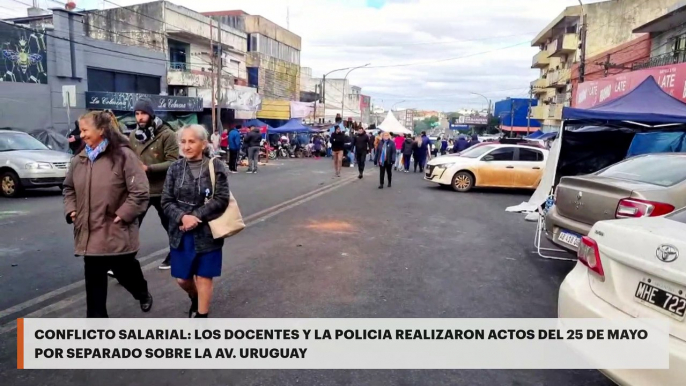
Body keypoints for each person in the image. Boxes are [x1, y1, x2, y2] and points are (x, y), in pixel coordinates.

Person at [63, 111, 152, 318]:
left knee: (125, 272)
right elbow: (68, 188)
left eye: (85, 130)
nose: (81, 135)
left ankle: (141, 291)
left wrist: (124, 214)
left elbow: (140, 191)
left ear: (101, 130)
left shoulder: (124, 155)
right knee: (94, 289)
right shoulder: (80, 159)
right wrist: (71, 209)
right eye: (80, 130)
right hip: (90, 232)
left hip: (116, 229)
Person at [161, 124, 230, 318]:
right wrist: (183, 217)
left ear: (203, 143)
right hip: (181, 233)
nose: (186, 146)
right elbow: (166, 200)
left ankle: (202, 316)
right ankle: (195, 297)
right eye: (183, 141)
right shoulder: (174, 168)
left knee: (204, 276)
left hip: (208, 233)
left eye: (192, 141)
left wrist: (196, 216)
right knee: (182, 279)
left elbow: (221, 198)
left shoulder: (216, 166)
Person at [129, 98, 179, 270]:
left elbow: (174, 162)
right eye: (137, 114)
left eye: (143, 113)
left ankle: (175, 255)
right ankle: (124, 262)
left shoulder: (167, 135)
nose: (140, 117)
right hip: (140, 189)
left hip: (163, 189)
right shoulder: (133, 136)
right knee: (131, 226)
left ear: (151, 115)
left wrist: (148, 168)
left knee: (171, 226)